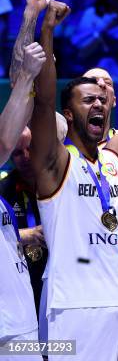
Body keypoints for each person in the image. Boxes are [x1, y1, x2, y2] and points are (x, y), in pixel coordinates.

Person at [31, 1, 118, 359]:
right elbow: (44, 95)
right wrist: (48, 30)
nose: (99, 104)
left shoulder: (117, 155)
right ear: (68, 113)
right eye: (87, 100)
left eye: (102, 99)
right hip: (79, 306)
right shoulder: (55, 162)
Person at [0, 31, 46, 361]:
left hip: (21, 322)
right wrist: (28, 74)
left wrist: (30, 16)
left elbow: (11, 134)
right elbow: (5, 140)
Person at [82, 67, 118, 142]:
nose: (102, 84)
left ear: (114, 101)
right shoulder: (61, 143)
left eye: (108, 83)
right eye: (93, 81)